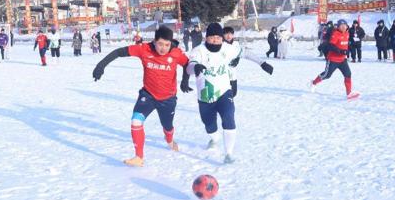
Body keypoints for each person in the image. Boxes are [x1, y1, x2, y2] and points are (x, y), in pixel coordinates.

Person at [92, 26, 190, 167]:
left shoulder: (176, 53)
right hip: (148, 95)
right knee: (136, 121)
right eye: (160, 44)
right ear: (154, 41)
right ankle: (139, 157)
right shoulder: (144, 49)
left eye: (167, 45)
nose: (163, 48)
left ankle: (169, 139)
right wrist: (101, 65)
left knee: (167, 127)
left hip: (168, 98)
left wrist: (185, 81)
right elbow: (119, 52)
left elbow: (187, 64)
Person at [184, 23, 243, 164]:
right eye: (212, 37)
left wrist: (261, 63)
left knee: (229, 117)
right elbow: (189, 68)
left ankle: (228, 154)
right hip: (206, 94)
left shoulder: (228, 48)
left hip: (224, 91)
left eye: (218, 37)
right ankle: (214, 138)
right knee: (209, 125)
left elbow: (242, 52)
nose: (215, 40)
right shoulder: (198, 50)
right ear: (206, 37)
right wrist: (195, 67)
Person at [309, 19, 359, 100]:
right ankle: (314, 82)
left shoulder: (347, 33)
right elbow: (331, 46)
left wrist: (349, 47)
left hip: (343, 60)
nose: (343, 27)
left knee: (348, 74)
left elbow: (345, 43)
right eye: (341, 26)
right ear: (338, 27)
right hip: (333, 59)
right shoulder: (335, 34)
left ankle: (349, 93)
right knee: (327, 75)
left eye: (344, 25)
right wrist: (340, 51)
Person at [223, 26, 273, 97]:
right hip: (221, 77)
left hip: (233, 76)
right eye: (226, 33)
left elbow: (247, 54)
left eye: (230, 33)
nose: (228, 36)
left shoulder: (236, 46)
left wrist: (262, 63)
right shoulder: (219, 46)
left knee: (233, 94)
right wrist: (228, 63)